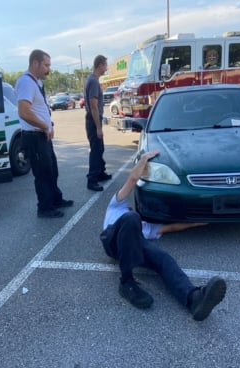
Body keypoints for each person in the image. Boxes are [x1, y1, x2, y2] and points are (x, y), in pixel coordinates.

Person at [100, 151, 227, 321]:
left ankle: (193, 298)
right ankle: (126, 282)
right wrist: (144, 159)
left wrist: (201, 221)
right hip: (112, 240)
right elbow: (132, 180)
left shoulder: (144, 227)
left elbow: (172, 227)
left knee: (163, 258)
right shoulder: (117, 206)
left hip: (135, 243)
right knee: (132, 218)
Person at [15, 49, 74, 219]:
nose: (49, 69)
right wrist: (44, 126)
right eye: (46, 65)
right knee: (43, 174)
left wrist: (50, 124)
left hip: (43, 135)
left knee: (52, 170)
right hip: (34, 137)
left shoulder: (37, 83)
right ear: (35, 63)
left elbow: (41, 109)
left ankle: (56, 199)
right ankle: (45, 208)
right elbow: (24, 112)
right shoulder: (26, 82)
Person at [84, 54, 112, 192]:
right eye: (106, 65)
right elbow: (94, 105)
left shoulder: (92, 79)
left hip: (93, 118)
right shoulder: (94, 81)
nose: (106, 68)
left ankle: (100, 173)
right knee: (96, 150)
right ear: (100, 65)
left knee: (100, 148)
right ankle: (92, 180)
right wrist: (98, 128)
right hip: (93, 119)